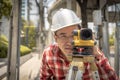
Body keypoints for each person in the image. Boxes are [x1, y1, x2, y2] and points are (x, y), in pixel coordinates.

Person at [40, 8, 119, 80]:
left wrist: (97, 55)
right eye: (63, 36)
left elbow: (112, 78)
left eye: (74, 34)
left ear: (80, 33)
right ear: (55, 38)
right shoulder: (48, 54)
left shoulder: (90, 50)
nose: (70, 41)